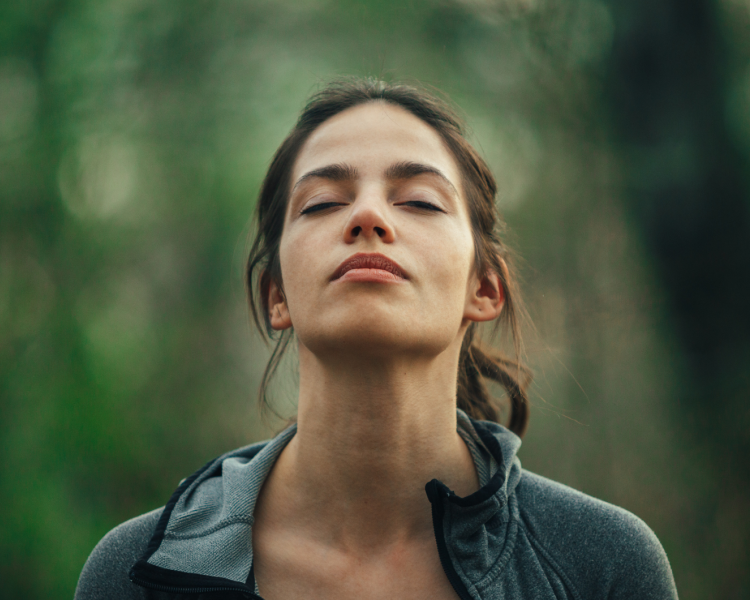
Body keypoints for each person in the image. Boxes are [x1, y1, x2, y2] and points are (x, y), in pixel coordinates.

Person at [75, 79, 678, 600]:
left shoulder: (604, 565)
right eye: (322, 204)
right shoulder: (134, 573)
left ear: (484, 288)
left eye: (419, 201)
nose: (368, 216)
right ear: (276, 294)